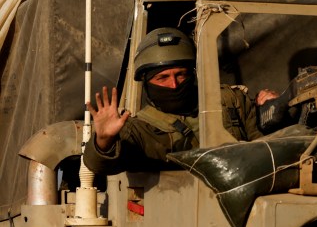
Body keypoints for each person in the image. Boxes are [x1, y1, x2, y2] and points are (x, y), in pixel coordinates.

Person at [83, 27, 277, 174]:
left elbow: (268, 149)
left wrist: (274, 112)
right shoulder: (139, 128)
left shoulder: (230, 101)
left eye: (181, 75)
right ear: (146, 82)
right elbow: (98, 164)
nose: (174, 85)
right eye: (162, 78)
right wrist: (104, 139)